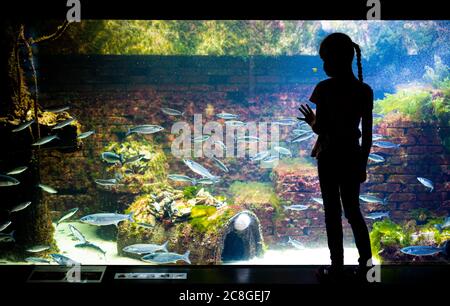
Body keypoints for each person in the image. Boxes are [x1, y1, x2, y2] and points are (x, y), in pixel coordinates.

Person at [298, 33, 374, 282]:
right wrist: (362, 164)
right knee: (353, 211)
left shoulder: (324, 89)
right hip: (352, 156)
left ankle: (337, 268)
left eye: (326, 59)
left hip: (329, 157)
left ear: (338, 59)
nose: (324, 65)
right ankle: (366, 266)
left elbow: (323, 130)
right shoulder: (364, 90)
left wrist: (312, 122)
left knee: (332, 212)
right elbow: (368, 135)